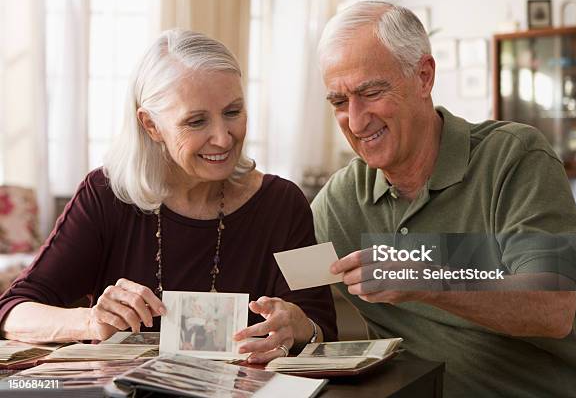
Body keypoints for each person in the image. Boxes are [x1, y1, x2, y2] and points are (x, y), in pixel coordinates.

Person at [311, 0, 576, 396]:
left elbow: (552, 307)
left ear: (423, 77)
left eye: (371, 91)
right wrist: (292, 321)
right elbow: (292, 286)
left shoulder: (516, 156)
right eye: (338, 102)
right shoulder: (340, 198)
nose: (356, 119)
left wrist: (425, 277)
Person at [0, 29, 336, 364]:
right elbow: (13, 311)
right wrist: (90, 321)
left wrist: (299, 326)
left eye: (233, 112)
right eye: (196, 121)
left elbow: (325, 326)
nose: (222, 138)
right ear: (151, 125)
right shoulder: (104, 194)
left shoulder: (288, 201)